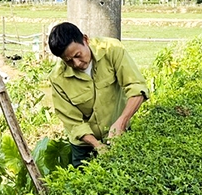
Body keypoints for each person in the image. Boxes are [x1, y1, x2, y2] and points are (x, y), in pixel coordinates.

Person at [48, 22, 148, 167]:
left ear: (85, 40)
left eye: (78, 55)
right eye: (69, 61)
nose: (76, 63)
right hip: (83, 145)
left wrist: (121, 122)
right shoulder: (58, 78)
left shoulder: (112, 50)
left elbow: (137, 87)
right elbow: (73, 122)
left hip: (120, 132)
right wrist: (97, 145)